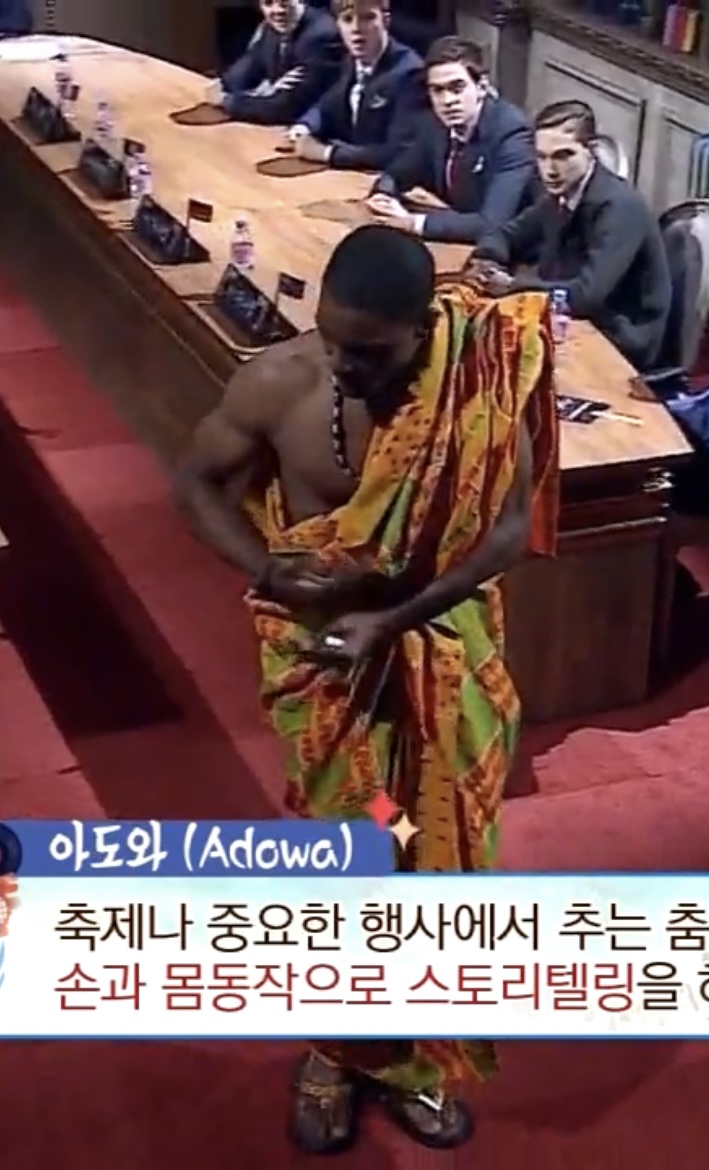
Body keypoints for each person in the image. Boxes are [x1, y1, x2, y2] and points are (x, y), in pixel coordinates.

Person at [175, 224, 559, 1155]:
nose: (345, 367)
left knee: (435, 852)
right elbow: (195, 485)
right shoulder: (279, 381)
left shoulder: (479, 376)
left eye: (371, 352)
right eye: (334, 340)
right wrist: (268, 571)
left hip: (440, 646)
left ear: (424, 330)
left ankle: (416, 1060)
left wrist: (396, 618)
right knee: (353, 853)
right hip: (325, 665)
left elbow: (508, 530)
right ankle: (337, 1049)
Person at [470, 99, 672, 372]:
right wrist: (486, 261)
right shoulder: (560, 194)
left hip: (619, 342)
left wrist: (513, 286)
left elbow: (587, 295)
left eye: (563, 156)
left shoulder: (620, 207)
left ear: (591, 150)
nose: (550, 170)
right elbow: (505, 234)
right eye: (541, 157)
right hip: (574, 322)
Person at [368, 36, 535, 244]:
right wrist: (384, 196)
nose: (448, 101)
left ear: (481, 87)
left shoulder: (512, 135)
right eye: (437, 90)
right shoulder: (435, 124)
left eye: (457, 88)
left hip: (509, 252)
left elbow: (492, 224)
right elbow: (398, 173)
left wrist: (414, 222)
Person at [281, 0, 425, 171]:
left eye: (367, 18)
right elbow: (326, 105)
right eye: (347, 19)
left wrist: (327, 153)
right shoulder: (349, 61)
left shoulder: (409, 73)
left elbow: (399, 151)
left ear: (386, 21)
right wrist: (304, 127)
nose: (356, 28)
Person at [213, 0, 343, 126]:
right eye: (268, 3)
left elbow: (286, 109)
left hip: (313, 130)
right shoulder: (272, 27)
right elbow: (238, 77)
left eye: (284, 2)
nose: (277, 10)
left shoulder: (322, 36)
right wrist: (266, 91)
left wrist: (227, 102)